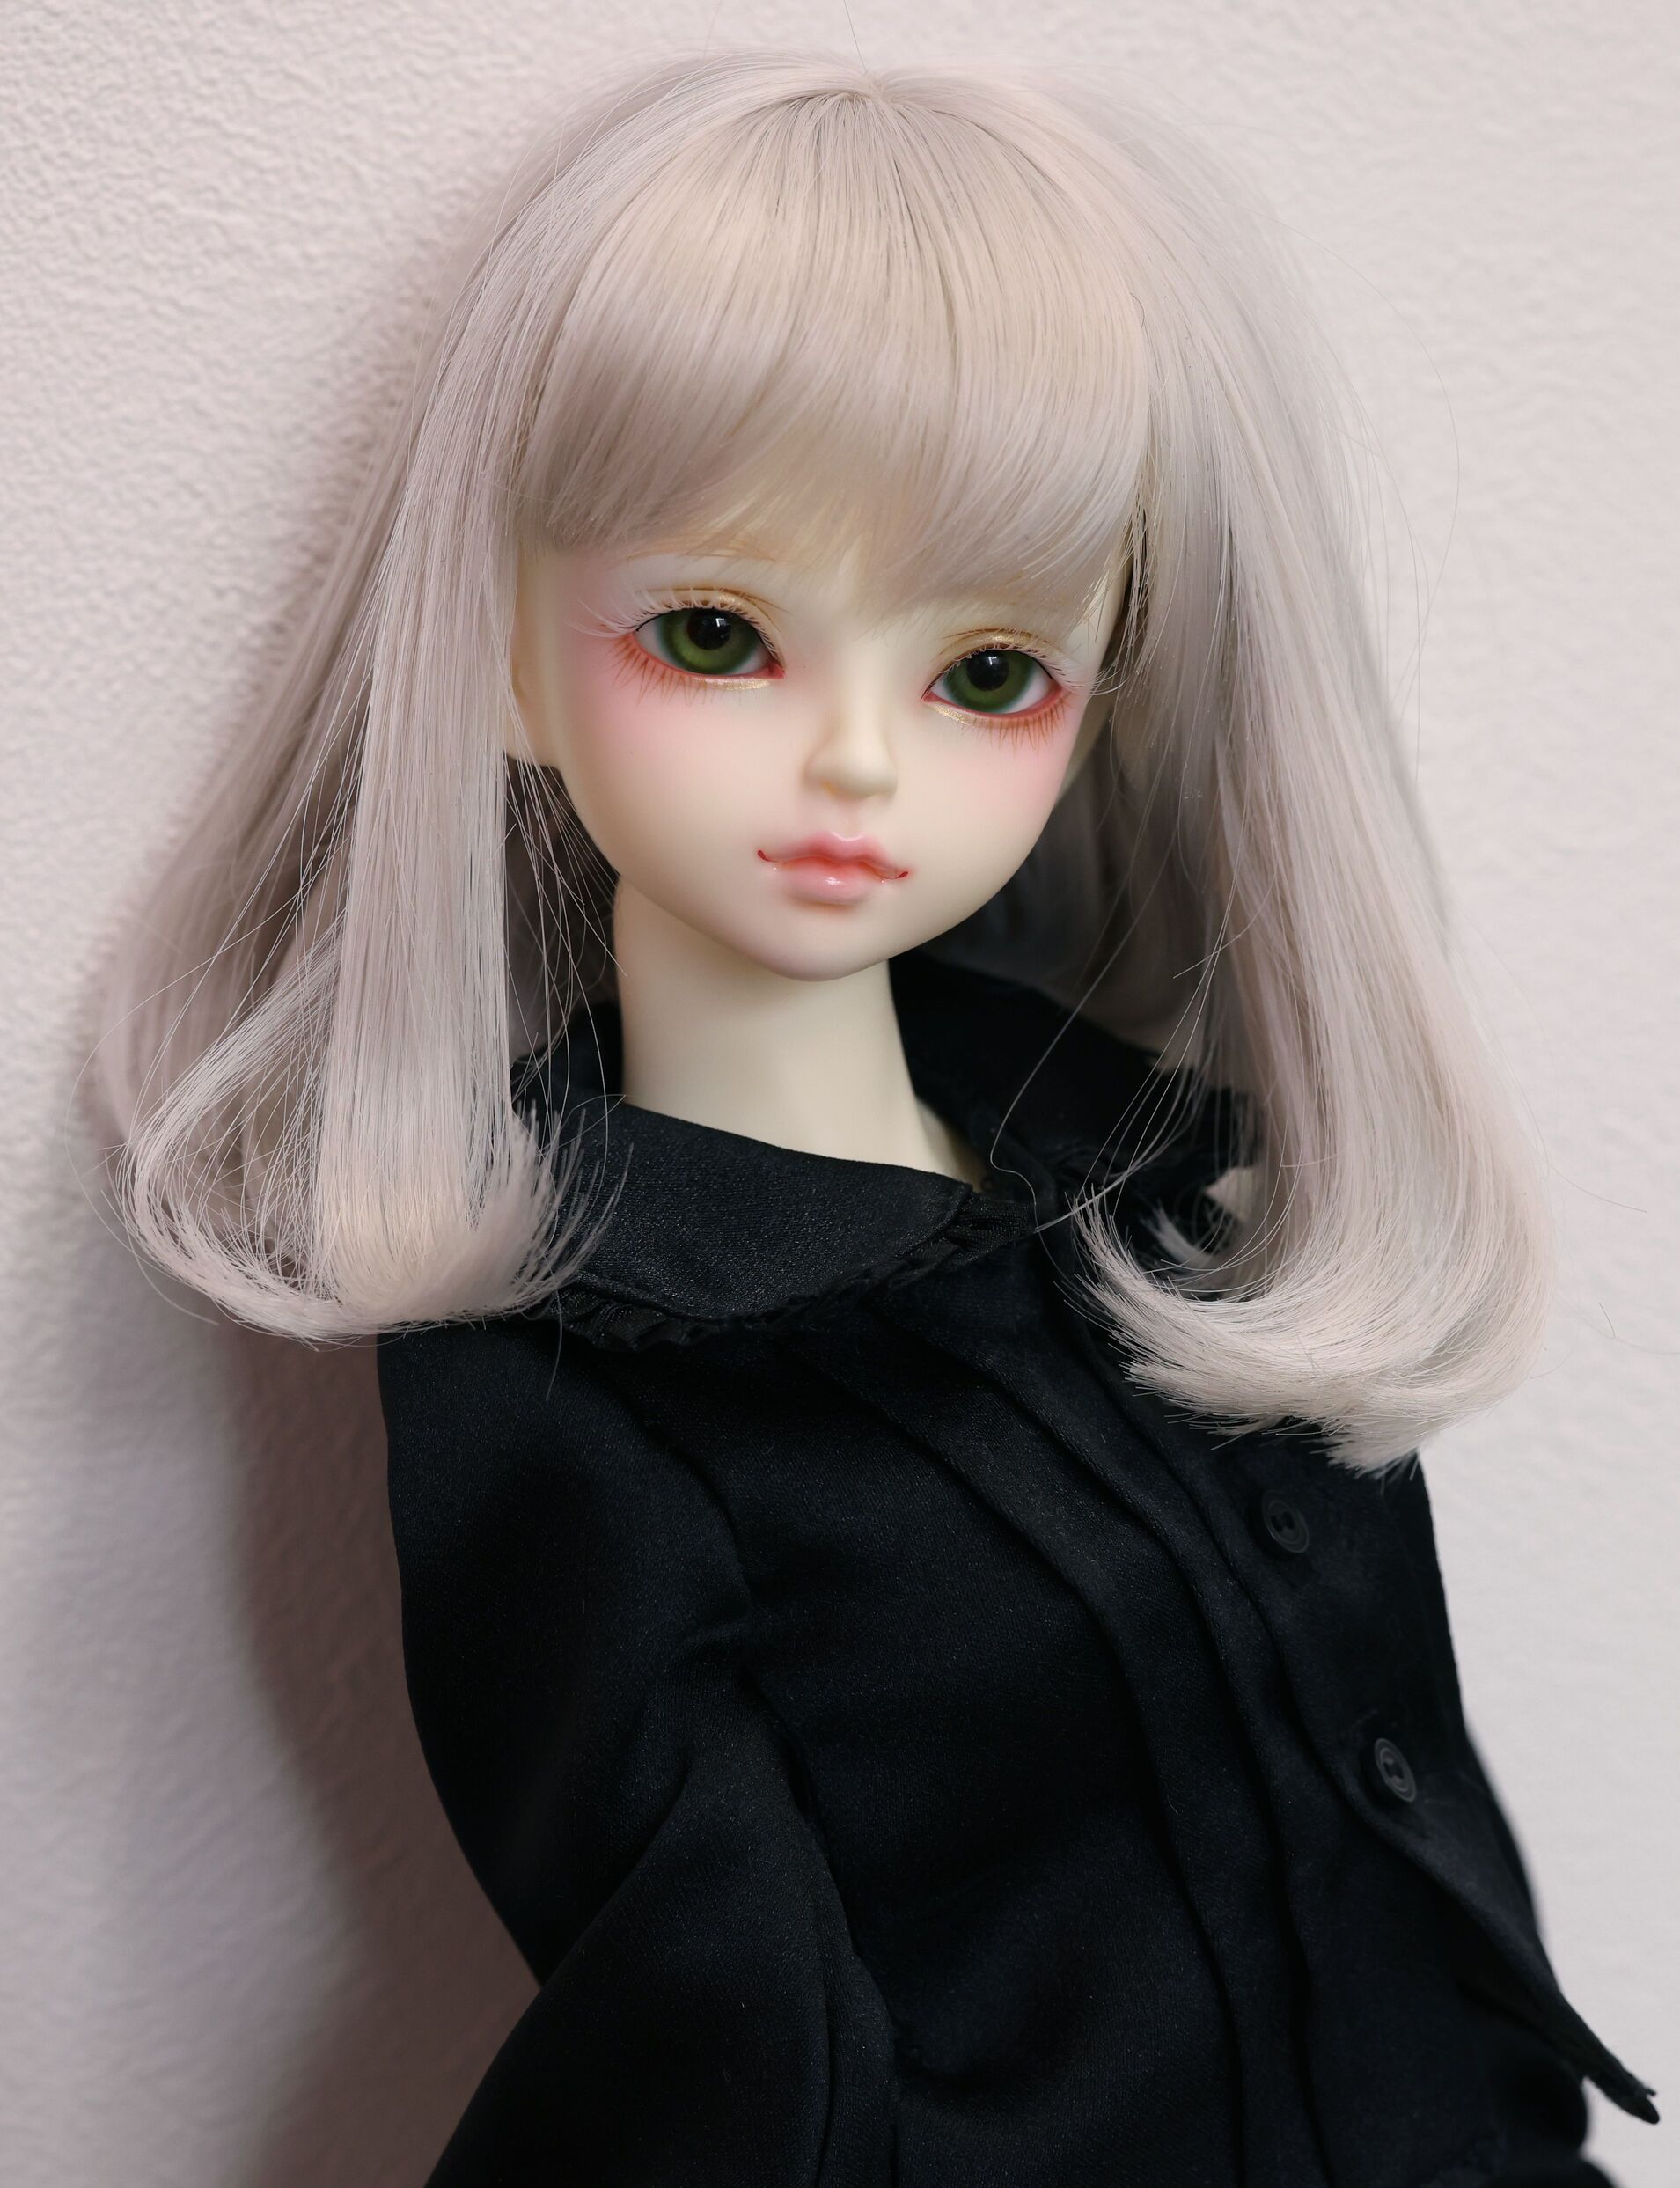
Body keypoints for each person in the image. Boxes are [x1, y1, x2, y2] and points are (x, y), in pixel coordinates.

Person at [98, 48, 1658, 2184]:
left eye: (986, 671)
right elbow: (712, 2061)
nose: (853, 763)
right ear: (503, 655)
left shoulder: (1164, 1177)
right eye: (715, 633)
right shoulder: (588, 1379)